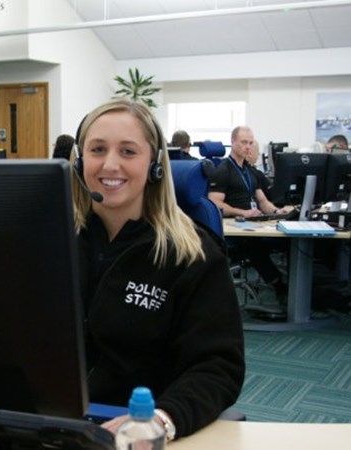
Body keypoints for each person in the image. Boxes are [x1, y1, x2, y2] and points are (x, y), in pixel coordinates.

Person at [71, 97, 244, 441]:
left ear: (156, 165)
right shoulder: (52, 238)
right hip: (49, 423)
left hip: (138, 431)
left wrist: (162, 420)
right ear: (79, 162)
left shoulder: (192, 254)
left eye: (128, 152)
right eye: (98, 149)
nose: (110, 164)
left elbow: (217, 366)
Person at [208, 126, 289, 296]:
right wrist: (242, 213)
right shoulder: (223, 170)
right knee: (254, 244)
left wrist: (276, 211)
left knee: (286, 240)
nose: (248, 147)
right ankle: (278, 285)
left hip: (252, 222)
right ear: (233, 142)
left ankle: (291, 285)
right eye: (244, 142)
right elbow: (214, 203)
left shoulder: (249, 171)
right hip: (234, 228)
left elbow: (262, 200)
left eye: (250, 143)